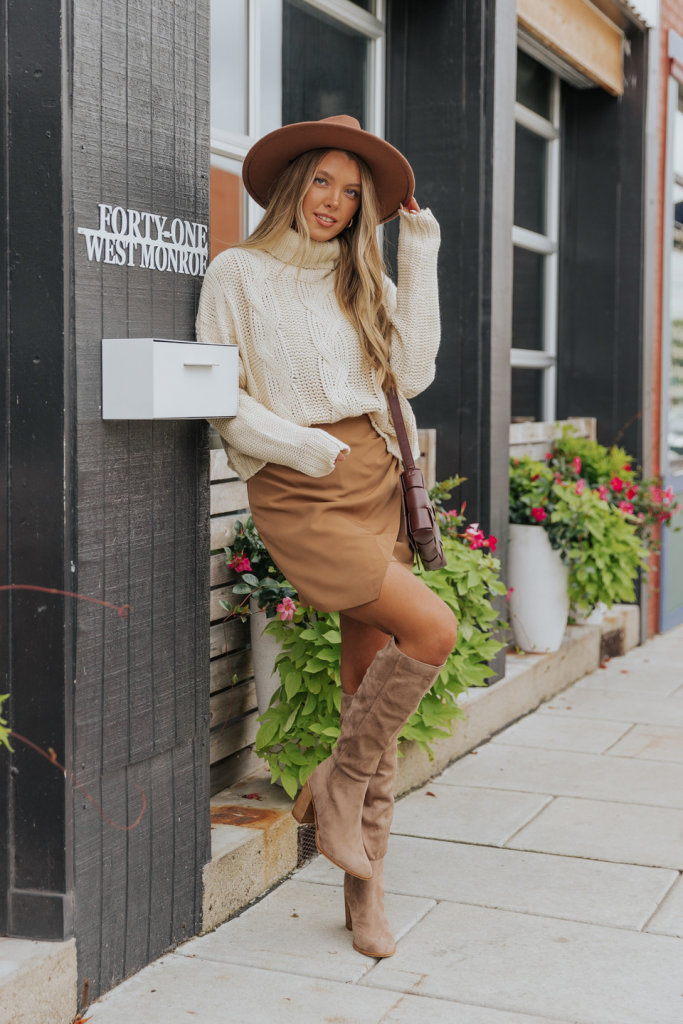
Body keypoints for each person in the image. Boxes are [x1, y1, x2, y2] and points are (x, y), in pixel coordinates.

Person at [196, 114, 457, 959]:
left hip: (378, 474)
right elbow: (218, 394)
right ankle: (334, 785)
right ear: (291, 182)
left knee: (363, 688)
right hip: (300, 485)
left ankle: (363, 885)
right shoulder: (237, 272)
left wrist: (417, 256)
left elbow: (410, 374)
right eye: (323, 183)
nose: (336, 204)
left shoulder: (361, 280)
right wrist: (304, 445)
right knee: (432, 629)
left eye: (352, 194)